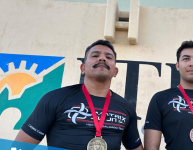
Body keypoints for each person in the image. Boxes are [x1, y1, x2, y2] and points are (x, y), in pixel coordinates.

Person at [15, 40, 143, 150]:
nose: (102, 58)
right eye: (95, 55)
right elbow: (20, 146)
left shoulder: (126, 108)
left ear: (115, 71)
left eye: (109, 57)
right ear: (83, 68)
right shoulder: (54, 98)